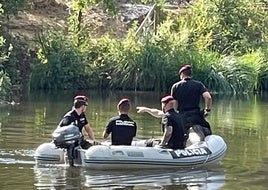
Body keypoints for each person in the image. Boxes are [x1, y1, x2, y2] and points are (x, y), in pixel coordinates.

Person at [170, 64, 212, 136]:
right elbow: (208, 97)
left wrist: (175, 114)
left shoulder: (175, 86)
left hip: (182, 116)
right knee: (207, 130)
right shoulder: (198, 84)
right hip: (195, 115)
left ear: (182, 74)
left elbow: (174, 102)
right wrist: (207, 110)